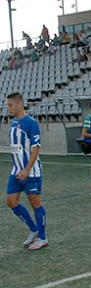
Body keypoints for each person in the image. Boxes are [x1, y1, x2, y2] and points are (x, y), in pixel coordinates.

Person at [5, 92, 48, 250]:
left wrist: (27, 169)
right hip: (16, 171)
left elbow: (36, 147)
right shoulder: (14, 123)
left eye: (10, 105)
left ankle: (43, 238)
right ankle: (33, 229)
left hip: (31, 172)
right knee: (10, 201)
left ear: (19, 104)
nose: (8, 108)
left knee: (35, 203)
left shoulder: (30, 123)